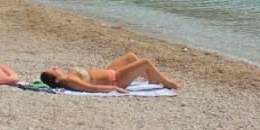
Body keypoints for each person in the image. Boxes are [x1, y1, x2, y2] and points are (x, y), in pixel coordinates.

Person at [40, 52, 182, 93]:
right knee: (145, 62)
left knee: (131, 57)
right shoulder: (69, 80)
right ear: (57, 80)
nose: (54, 67)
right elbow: (92, 88)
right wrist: (114, 88)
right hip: (116, 79)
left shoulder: (68, 75)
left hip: (110, 72)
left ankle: (152, 78)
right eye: (53, 70)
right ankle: (168, 83)